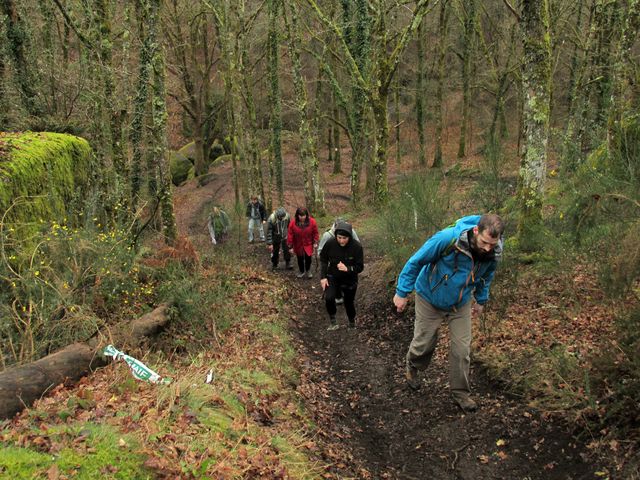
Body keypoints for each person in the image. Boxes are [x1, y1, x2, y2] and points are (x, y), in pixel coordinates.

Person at [393, 214, 504, 413]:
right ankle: (412, 365)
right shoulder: (448, 238)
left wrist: (481, 299)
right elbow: (416, 261)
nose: (488, 248)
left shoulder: (494, 252)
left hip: (460, 302)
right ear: (476, 231)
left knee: (462, 349)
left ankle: (460, 393)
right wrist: (402, 292)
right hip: (429, 296)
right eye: (484, 242)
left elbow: (486, 276)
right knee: (424, 343)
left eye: (492, 244)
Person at [320, 221, 364, 330]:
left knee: (348, 302)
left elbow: (360, 267)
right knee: (329, 298)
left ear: (349, 237)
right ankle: (333, 322)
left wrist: (347, 268)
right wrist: (323, 277)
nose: (341, 240)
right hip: (333, 276)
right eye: (339, 237)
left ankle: (351, 322)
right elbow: (323, 259)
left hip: (350, 279)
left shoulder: (356, 247)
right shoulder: (330, 243)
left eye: (344, 238)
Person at [318, 217, 360, 305]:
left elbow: (357, 244)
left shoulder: (351, 232)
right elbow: (321, 251)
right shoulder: (327, 235)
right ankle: (338, 295)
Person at [287, 207, 319, 279]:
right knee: (300, 258)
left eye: (304, 215)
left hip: (308, 243)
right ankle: (301, 271)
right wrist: (290, 246)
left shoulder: (312, 222)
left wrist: (315, 241)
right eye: (300, 216)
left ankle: (308, 270)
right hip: (298, 244)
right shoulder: (292, 223)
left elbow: (315, 233)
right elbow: (290, 235)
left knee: (308, 258)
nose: (302, 217)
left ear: (306, 215)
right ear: (297, 215)